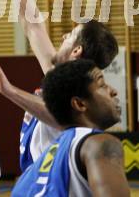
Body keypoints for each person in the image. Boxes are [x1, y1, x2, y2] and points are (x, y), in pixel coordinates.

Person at [0, 0, 119, 172]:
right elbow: (33, 25)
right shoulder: (60, 76)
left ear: (76, 52)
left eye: (71, 34)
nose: (64, 34)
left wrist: (9, 90)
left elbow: (56, 114)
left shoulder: (80, 97)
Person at [11, 59, 130, 196]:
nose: (113, 91)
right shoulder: (97, 143)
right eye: (102, 85)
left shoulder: (28, 176)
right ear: (79, 104)